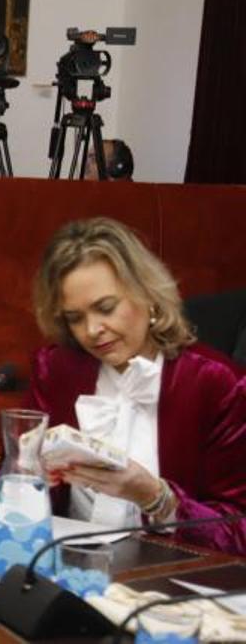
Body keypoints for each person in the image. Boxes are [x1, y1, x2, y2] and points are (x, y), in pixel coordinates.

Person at [29, 217, 246, 554]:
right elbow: (8, 478)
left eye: (106, 308)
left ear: (147, 293)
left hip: (170, 582)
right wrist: (33, 478)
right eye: (74, 318)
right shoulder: (56, 369)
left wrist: (157, 498)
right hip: (65, 566)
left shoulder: (217, 383)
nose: (92, 330)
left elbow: (240, 530)